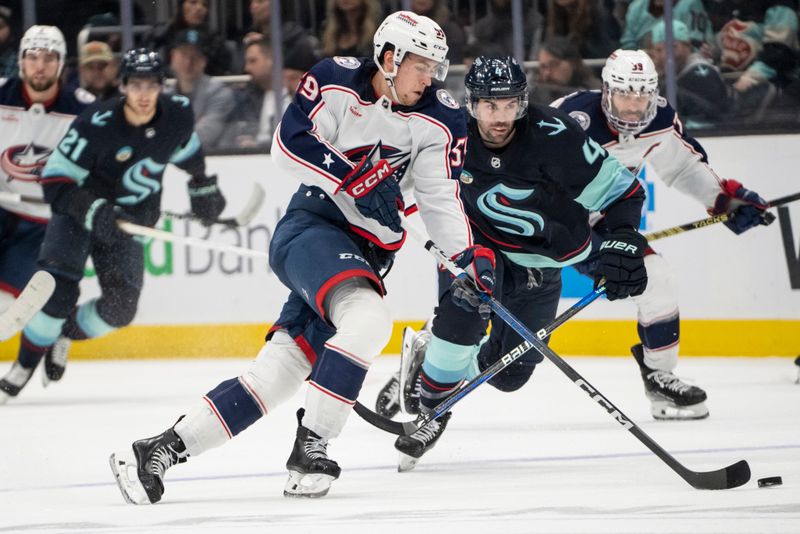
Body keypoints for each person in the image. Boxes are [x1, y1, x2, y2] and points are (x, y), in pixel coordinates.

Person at [110, 11, 481, 504]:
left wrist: (464, 263)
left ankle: (160, 449)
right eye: (422, 65)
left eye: (437, 67)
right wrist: (352, 177)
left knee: (278, 373)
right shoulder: (334, 80)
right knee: (368, 319)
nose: (430, 77)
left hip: (368, 255)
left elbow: (438, 198)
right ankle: (313, 447)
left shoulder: (441, 118)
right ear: (389, 58)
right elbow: (287, 145)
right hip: (313, 227)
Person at [375, 55, 648, 471]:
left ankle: (429, 357)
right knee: (464, 310)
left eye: (509, 105)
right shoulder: (449, 132)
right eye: (488, 105)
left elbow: (624, 193)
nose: (499, 117)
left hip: (544, 260)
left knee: (509, 375)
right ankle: (433, 410)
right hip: (476, 248)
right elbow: (401, 181)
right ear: (471, 104)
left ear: (522, 103)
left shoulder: (555, 136)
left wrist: (625, 239)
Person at [551, 49, 772, 419]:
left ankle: (659, 377)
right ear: (607, 91)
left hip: (599, 222)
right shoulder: (571, 120)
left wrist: (725, 199)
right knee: (501, 323)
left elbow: (685, 167)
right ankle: (433, 354)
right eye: (625, 94)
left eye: (643, 95)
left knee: (658, 279)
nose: (635, 105)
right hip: (539, 225)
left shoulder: (659, 122)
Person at [0, 48, 226, 405]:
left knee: (121, 308)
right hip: (78, 214)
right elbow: (55, 181)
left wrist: (201, 184)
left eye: (150, 85)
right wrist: (95, 211)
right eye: (134, 84)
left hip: (129, 222)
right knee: (57, 293)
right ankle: (24, 365)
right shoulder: (96, 123)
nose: (142, 94)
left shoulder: (178, 113)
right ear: (122, 85)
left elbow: (186, 148)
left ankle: (62, 334)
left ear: (160, 86)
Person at [0, 25, 94, 404]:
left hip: (45, 223)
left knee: (11, 306)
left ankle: (58, 324)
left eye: (49, 58)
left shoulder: (83, 110)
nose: (40, 66)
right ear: (21, 60)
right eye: (33, 57)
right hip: (2, 208)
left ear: (60, 64)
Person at [647, 20, 729, 124]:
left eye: (673, 47)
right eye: (658, 50)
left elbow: (712, 119)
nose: (665, 55)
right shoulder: (668, 74)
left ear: (688, 46)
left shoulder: (701, 75)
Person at [168, 29, 236, 150]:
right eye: (184, 54)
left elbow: (205, 135)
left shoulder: (220, 93)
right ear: (173, 57)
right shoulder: (163, 96)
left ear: (204, 61)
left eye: (195, 56)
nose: (188, 62)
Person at [533, 36, 602, 105]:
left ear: (573, 63)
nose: (547, 73)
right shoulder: (536, 95)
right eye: (543, 67)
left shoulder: (596, 94)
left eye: (554, 65)